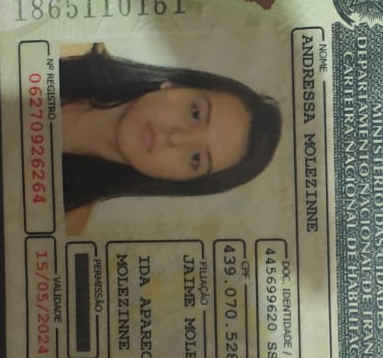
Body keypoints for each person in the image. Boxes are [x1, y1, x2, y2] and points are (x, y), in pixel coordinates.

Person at [60, 43, 282, 233]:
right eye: (195, 113)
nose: (176, 138)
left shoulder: (65, 221)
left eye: (196, 159)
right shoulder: (66, 49)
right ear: (175, 85)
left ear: (178, 181)